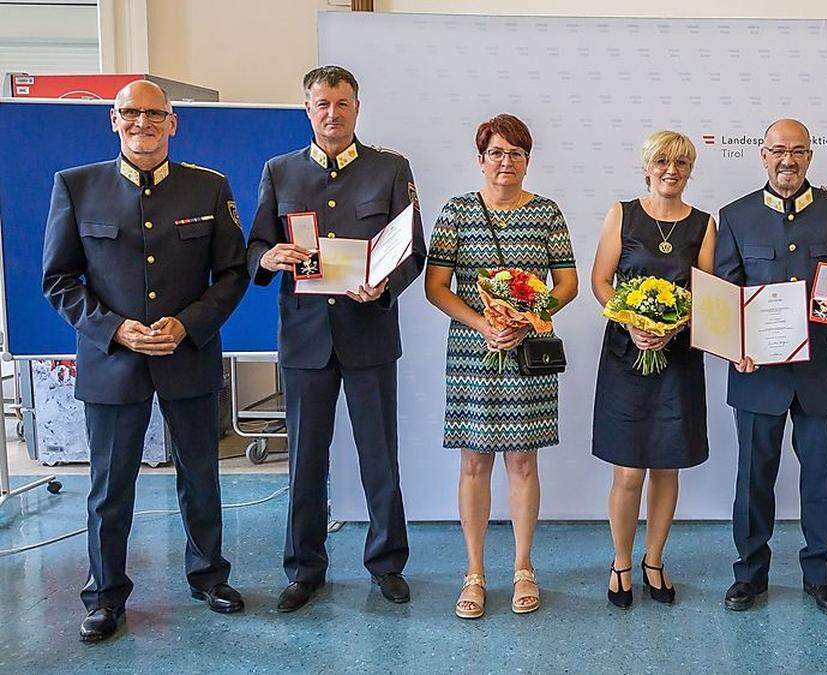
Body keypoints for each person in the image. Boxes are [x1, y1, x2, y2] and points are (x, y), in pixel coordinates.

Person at [42, 80, 250, 642]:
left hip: (189, 357)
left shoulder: (208, 188)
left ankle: (208, 576)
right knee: (110, 488)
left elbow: (233, 274)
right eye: (130, 113)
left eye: (155, 114)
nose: (143, 122)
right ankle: (105, 595)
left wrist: (189, 324)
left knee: (201, 476)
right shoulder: (77, 186)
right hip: (113, 363)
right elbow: (58, 280)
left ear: (173, 123)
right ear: (114, 120)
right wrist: (115, 330)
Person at [247, 65, 426, 612]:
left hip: (368, 332)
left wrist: (385, 287)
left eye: (342, 103)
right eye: (321, 103)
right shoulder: (280, 171)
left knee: (379, 455)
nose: (332, 113)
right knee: (304, 458)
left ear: (356, 107)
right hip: (304, 338)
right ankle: (305, 569)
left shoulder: (391, 169)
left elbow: (413, 251)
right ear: (307, 109)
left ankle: (387, 563)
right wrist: (270, 258)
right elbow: (255, 247)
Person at [714, 118, 827, 616]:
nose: (788, 160)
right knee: (753, 478)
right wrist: (731, 343)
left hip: (819, 372)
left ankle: (823, 577)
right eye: (778, 150)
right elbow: (724, 296)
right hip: (757, 372)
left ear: (810, 156)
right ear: (762, 155)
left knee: (820, 477)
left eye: (798, 151)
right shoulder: (736, 216)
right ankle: (749, 574)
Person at [425, 113, 579, 619]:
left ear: (527, 161)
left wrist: (529, 317)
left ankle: (523, 567)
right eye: (496, 152)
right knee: (474, 461)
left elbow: (567, 283)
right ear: (480, 159)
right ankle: (473, 573)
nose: (505, 162)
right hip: (473, 353)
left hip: (526, 354)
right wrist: (484, 324)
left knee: (523, 460)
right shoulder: (457, 212)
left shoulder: (547, 213)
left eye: (516, 153)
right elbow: (437, 287)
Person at [590, 130, 716, 608]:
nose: (671, 170)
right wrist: (632, 319)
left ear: (690, 171)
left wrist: (673, 325)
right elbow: (602, 281)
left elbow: (708, 292)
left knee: (667, 466)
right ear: (647, 166)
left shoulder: (704, 225)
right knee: (627, 470)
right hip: (626, 355)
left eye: (681, 164)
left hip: (678, 357)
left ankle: (654, 560)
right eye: (663, 161)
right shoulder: (622, 213)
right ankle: (621, 562)